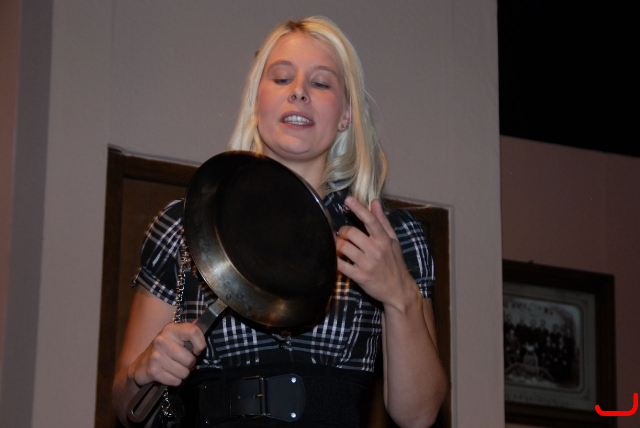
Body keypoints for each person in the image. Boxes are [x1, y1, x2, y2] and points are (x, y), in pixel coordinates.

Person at [112, 16, 447, 428]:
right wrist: (143, 370)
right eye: (282, 78)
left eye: (321, 83)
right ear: (258, 101)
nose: (299, 92)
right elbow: (126, 407)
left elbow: (418, 416)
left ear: (346, 114)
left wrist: (400, 296)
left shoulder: (389, 238)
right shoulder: (185, 225)